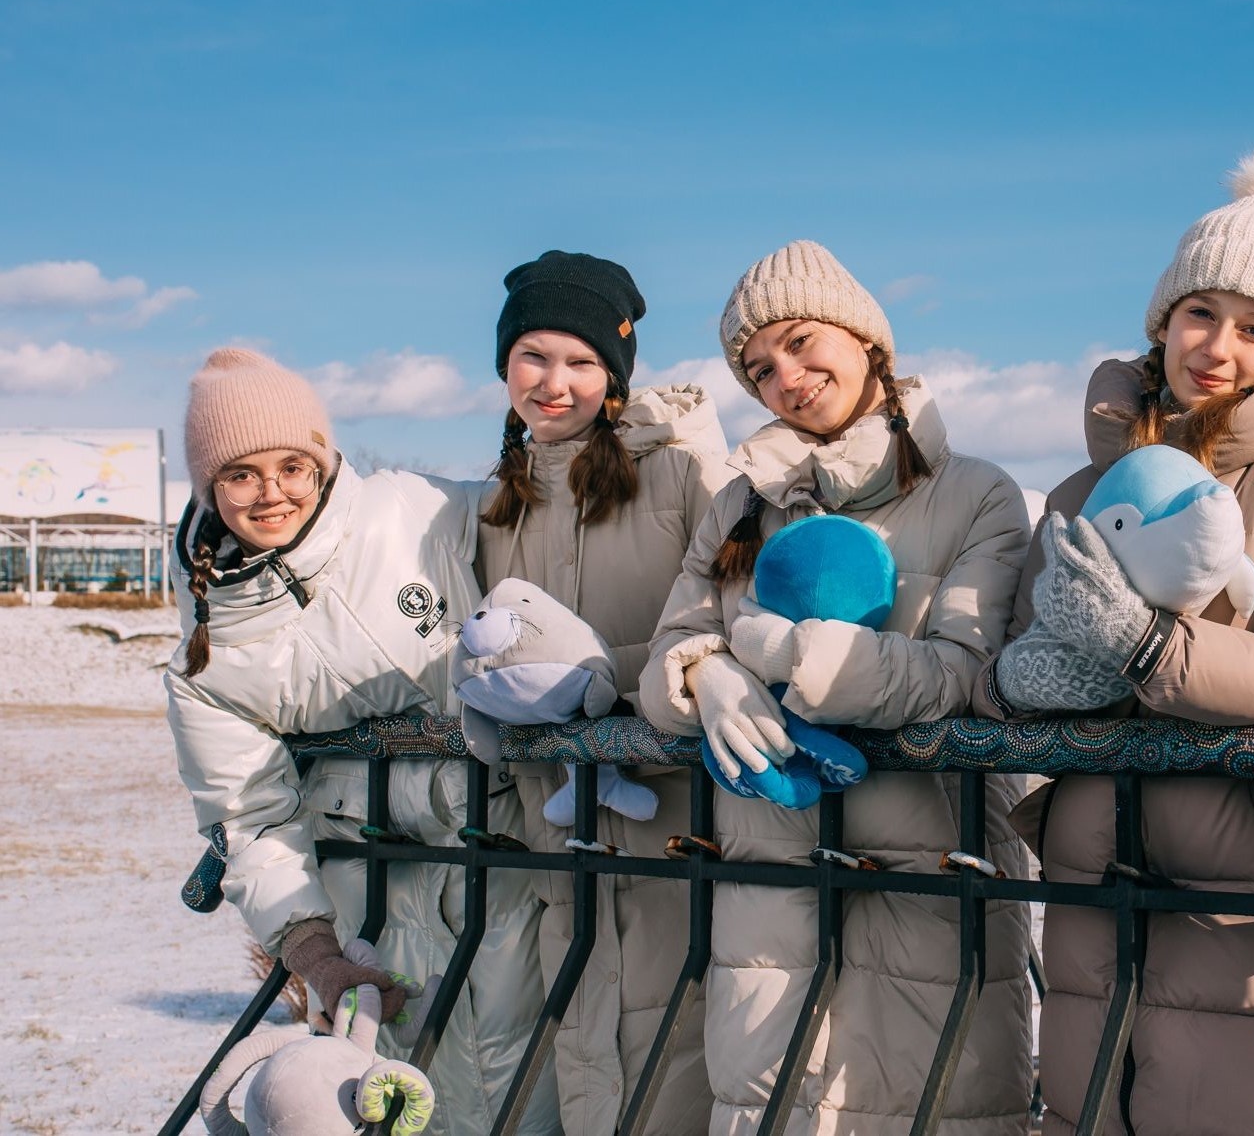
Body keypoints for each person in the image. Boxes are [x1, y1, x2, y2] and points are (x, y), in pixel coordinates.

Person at [978, 147, 1254, 1135]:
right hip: (1089, 888)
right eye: (1201, 313)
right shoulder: (1078, 491)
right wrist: (1031, 682)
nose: (1219, 346)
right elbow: (1014, 668)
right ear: (1161, 322)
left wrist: (1150, 651)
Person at [640, 239, 1035, 1133]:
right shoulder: (740, 503)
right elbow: (670, 647)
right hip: (767, 874)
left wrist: (791, 661)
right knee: (769, 1107)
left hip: (934, 864)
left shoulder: (975, 493)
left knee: (935, 1106)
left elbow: (962, 676)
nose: (785, 374)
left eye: (801, 340)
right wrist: (705, 677)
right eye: (758, 366)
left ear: (867, 340)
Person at [164, 348, 553, 1134]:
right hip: (369, 892)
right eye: (241, 474)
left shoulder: (412, 512)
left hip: (514, 852)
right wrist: (311, 952)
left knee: (542, 1083)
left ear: (323, 460)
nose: (272, 491)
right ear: (210, 487)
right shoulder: (208, 652)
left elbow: (561, 522)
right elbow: (248, 814)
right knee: (404, 1097)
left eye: (291, 465)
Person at [476, 249, 731, 1135]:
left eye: (582, 361)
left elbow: (727, 619)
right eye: (533, 357)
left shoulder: (680, 479)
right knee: (584, 1045)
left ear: (615, 375)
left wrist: (594, 675)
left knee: (680, 1051)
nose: (555, 383)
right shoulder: (490, 507)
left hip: (677, 820)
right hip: (555, 826)